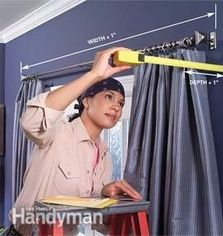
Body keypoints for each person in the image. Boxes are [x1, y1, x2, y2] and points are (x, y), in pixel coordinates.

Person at [9, 47, 141, 235]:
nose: (116, 107)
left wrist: (106, 194)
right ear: (86, 102)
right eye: (109, 97)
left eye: (121, 103)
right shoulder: (58, 133)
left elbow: (99, 222)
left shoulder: (104, 155)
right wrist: (94, 75)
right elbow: (31, 121)